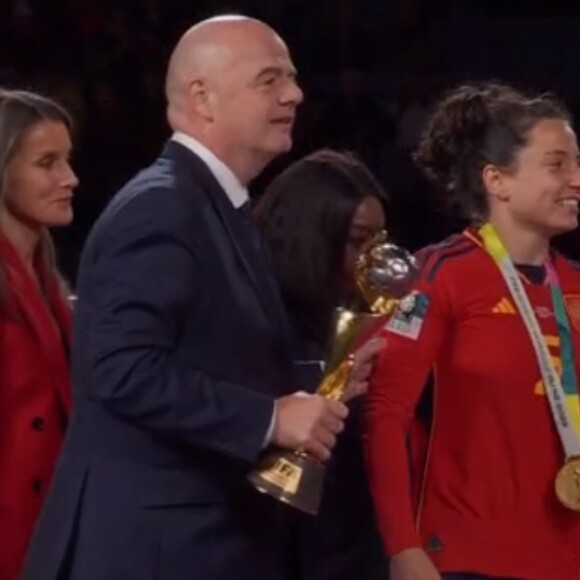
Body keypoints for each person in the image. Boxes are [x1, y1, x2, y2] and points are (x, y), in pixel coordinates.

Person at [21, 16, 371, 580]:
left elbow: (212, 356)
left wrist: (323, 380)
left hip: (203, 541)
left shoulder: (211, 205)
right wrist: (271, 418)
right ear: (201, 98)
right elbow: (119, 368)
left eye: (294, 77)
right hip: (160, 550)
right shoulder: (161, 207)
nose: (295, 93)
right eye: (269, 79)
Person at [365, 81, 580, 580]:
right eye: (557, 165)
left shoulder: (572, 284)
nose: (576, 180)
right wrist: (403, 547)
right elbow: (385, 415)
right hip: (467, 559)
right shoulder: (440, 276)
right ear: (497, 180)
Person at [255, 148, 389, 580]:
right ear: (310, 235)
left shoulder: (370, 323)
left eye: (379, 242)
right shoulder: (249, 321)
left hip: (350, 551)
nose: (373, 262)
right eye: (357, 240)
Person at [0, 89, 78, 580]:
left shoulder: (49, 284)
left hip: (49, 539)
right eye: (47, 163)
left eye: (67, 161)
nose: (70, 179)